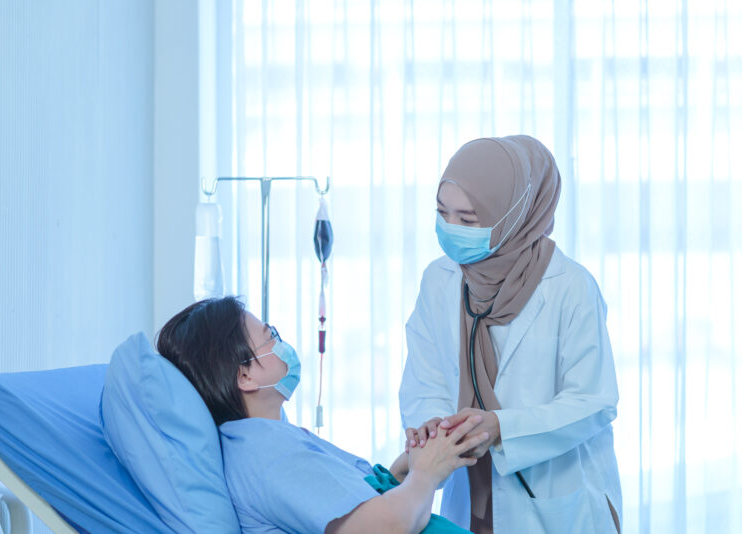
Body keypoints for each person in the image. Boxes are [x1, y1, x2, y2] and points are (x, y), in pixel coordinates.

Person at [399, 135, 622, 534]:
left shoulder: (570, 287)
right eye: (441, 212)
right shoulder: (440, 280)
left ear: (513, 214)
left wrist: (501, 427)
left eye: (468, 220)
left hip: (557, 503)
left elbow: (594, 402)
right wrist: (431, 423)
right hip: (468, 491)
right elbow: (426, 376)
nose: (451, 229)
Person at [155, 296, 489, 534]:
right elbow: (387, 527)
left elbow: (353, 508)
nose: (280, 341)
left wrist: (405, 469)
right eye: (270, 336)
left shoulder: (267, 440)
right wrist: (428, 474)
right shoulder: (266, 455)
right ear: (245, 377)